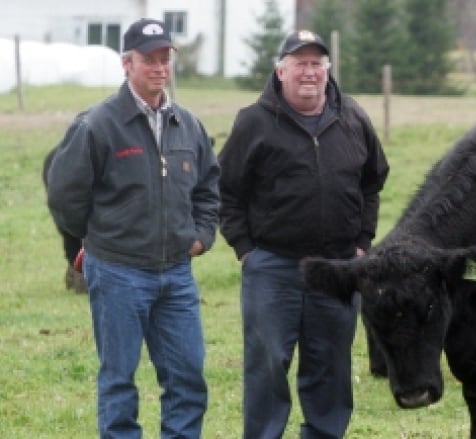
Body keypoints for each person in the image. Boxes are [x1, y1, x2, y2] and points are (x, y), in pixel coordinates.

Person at [46, 18, 220, 438]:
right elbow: (65, 197)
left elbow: (209, 186)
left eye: (165, 58)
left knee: (187, 378)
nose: (159, 67)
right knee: (120, 380)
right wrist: (103, 238)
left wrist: (201, 235)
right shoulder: (97, 125)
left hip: (177, 274)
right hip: (118, 272)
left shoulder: (188, 125)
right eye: (149, 59)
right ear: (127, 64)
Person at [218, 29, 389, 439]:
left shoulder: (353, 117)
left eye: (317, 64)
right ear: (281, 71)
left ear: (327, 71)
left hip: (337, 266)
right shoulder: (254, 121)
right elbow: (226, 189)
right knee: (268, 363)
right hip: (273, 265)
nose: (309, 72)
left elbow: (372, 181)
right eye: (300, 64)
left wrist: (363, 243)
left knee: (330, 363)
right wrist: (245, 250)